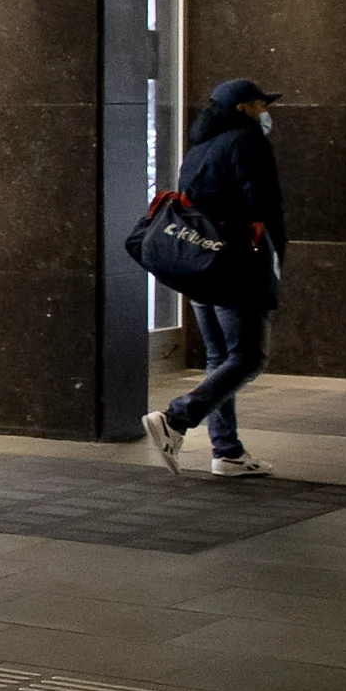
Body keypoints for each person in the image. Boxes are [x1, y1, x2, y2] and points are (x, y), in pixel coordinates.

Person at [146, 78, 287, 480]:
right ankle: (176, 417)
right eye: (260, 106)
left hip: (199, 266)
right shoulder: (247, 142)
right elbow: (262, 206)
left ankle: (227, 452)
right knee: (248, 357)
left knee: (219, 357)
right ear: (243, 108)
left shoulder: (199, 148)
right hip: (236, 267)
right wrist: (276, 258)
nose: (265, 113)